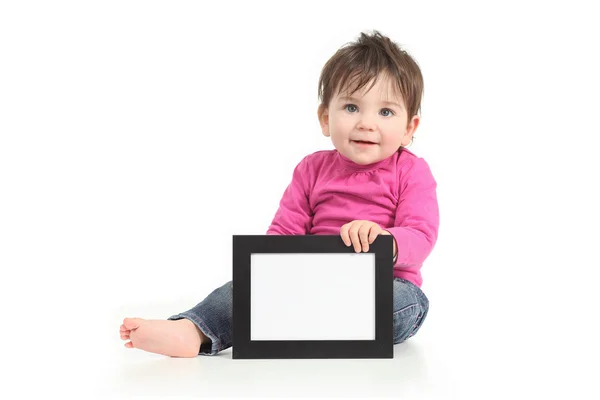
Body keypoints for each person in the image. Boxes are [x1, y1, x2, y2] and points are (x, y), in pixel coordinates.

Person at [119, 30, 439, 357]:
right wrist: (268, 272)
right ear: (326, 118)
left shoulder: (412, 172)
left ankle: (301, 322)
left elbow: (421, 234)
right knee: (245, 287)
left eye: (385, 112)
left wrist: (387, 239)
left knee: (403, 303)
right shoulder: (311, 170)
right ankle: (194, 329)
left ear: (409, 129)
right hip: (310, 283)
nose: (366, 123)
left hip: (384, 285)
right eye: (352, 107)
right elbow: (285, 231)